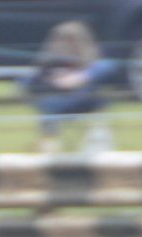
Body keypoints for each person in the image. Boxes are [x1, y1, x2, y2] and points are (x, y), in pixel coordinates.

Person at [29, 22, 117, 154]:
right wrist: (52, 81)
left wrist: (82, 77)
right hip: (56, 105)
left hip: (87, 101)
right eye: (61, 40)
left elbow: (109, 67)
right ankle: (48, 149)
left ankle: (97, 145)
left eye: (70, 41)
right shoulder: (49, 62)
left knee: (98, 98)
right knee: (49, 109)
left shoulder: (92, 63)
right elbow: (30, 81)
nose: (64, 45)